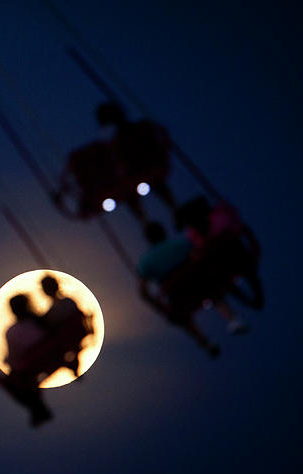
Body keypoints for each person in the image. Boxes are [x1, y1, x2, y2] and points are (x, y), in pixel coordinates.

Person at [137, 222, 247, 357]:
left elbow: (143, 291)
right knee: (214, 294)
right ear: (164, 232)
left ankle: (203, 340)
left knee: (179, 317)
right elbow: (201, 255)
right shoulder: (182, 243)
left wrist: (160, 307)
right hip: (198, 284)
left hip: (178, 295)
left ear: (148, 239)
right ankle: (232, 319)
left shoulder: (145, 262)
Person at [96, 101, 178, 220]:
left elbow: (161, 136)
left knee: (152, 185)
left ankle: (170, 211)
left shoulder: (129, 134)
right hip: (137, 173)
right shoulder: (117, 140)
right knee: (133, 192)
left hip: (146, 169)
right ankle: (151, 220)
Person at [3, 294, 53, 427]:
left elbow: (13, 359)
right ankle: (37, 409)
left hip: (28, 369)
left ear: (13, 310)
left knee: (8, 382)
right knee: (25, 383)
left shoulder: (13, 332)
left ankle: (36, 409)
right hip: (47, 360)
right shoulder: (41, 323)